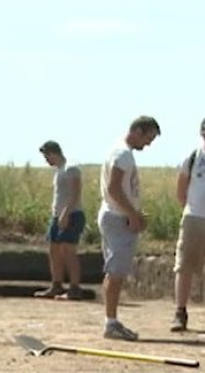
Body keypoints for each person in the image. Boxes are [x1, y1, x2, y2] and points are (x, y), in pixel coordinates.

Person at [98, 116, 160, 341]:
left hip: (116, 215)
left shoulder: (121, 152)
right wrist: (132, 214)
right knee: (116, 272)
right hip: (118, 219)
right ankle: (111, 323)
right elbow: (114, 188)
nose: (149, 144)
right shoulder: (123, 154)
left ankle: (111, 321)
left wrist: (134, 213)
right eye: (148, 137)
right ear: (137, 131)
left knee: (114, 271)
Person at [34, 141, 85, 301]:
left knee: (68, 250)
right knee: (53, 249)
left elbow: (75, 193)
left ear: (53, 153)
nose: (46, 160)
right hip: (57, 215)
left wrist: (66, 213)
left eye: (47, 156)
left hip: (72, 214)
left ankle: (75, 287)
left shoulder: (71, 168)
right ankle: (57, 284)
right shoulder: (58, 171)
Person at [170, 118, 205, 331]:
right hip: (193, 218)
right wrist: (190, 208)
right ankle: (180, 312)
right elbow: (181, 190)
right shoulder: (192, 157)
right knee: (184, 267)